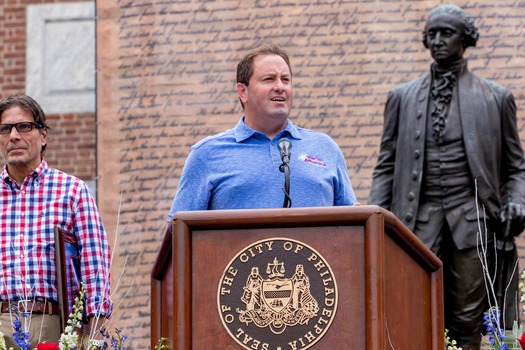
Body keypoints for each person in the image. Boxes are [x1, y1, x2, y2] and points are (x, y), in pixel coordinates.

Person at [368, 4, 525, 349]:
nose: (436, 41)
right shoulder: (401, 97)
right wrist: (373, 220)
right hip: (416, 224)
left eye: (446, 33)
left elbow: (515, 168)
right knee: (410, 308)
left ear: (465, 39)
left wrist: (517, 201)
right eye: (431, 34)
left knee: (467, 319)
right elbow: (385, 165)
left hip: (472, 224)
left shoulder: (496, 99)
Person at [167, 44, 357, 221]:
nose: (280, 87)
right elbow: (179, 234)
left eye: (285, 80)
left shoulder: (325, 147)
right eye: (269, 79)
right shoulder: (206, 154)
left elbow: (352, 227)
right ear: (243, 92)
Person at [0, 94, 112, 349]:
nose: (14, 136)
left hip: (55, 324)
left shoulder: (72, 191)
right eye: (5, 129)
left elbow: (95, 259)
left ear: (43, 135)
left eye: (24, 126)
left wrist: (94, 330)